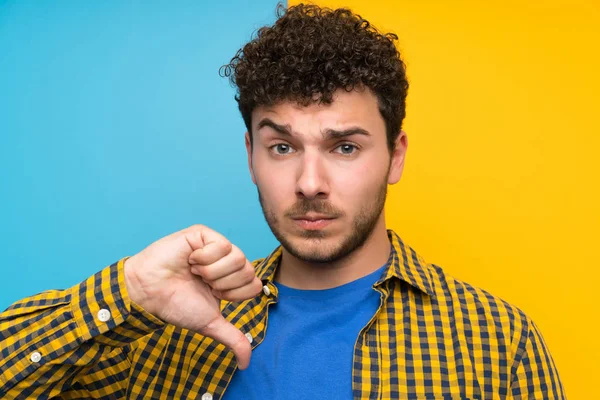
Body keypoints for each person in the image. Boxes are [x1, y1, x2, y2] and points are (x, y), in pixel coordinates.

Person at [0, 4, 565, 399]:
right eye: (282, 146)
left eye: (344, 146)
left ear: (395, 156)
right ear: (251, 155)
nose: (309, 182)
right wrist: (129, 289)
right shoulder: (163, 328)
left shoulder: (498, 342)